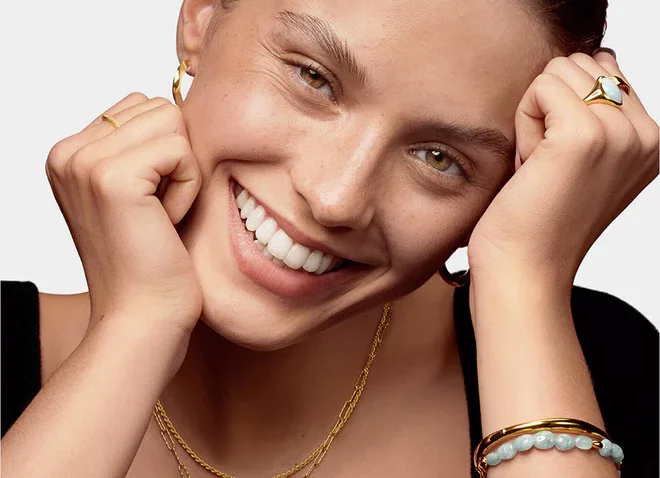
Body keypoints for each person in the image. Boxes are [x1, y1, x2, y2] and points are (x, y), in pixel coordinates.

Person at [1, 0, 658, 476]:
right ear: (201, 16)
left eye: (440, 158)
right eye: (313, 78)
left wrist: (523, 281)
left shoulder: (599, 367)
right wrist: (134, 328)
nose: (336, 197)